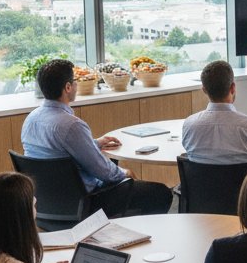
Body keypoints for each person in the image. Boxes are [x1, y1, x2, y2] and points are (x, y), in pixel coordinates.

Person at [21, 58, 172, 217]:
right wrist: (125, 172)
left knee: (115, 168)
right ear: (68, 87)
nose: (76, 84)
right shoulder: (71, 125)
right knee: (160, 193)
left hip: (48, 204)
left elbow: (55, 152)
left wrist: (93, 143)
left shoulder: (31, 119)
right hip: (86, 203)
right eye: (75, 81)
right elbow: (103, 172)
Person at [182, 59, 247, 167]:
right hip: (243, 179)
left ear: (204, 90)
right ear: (232, 88)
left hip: (200, 179)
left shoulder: (189, 125)